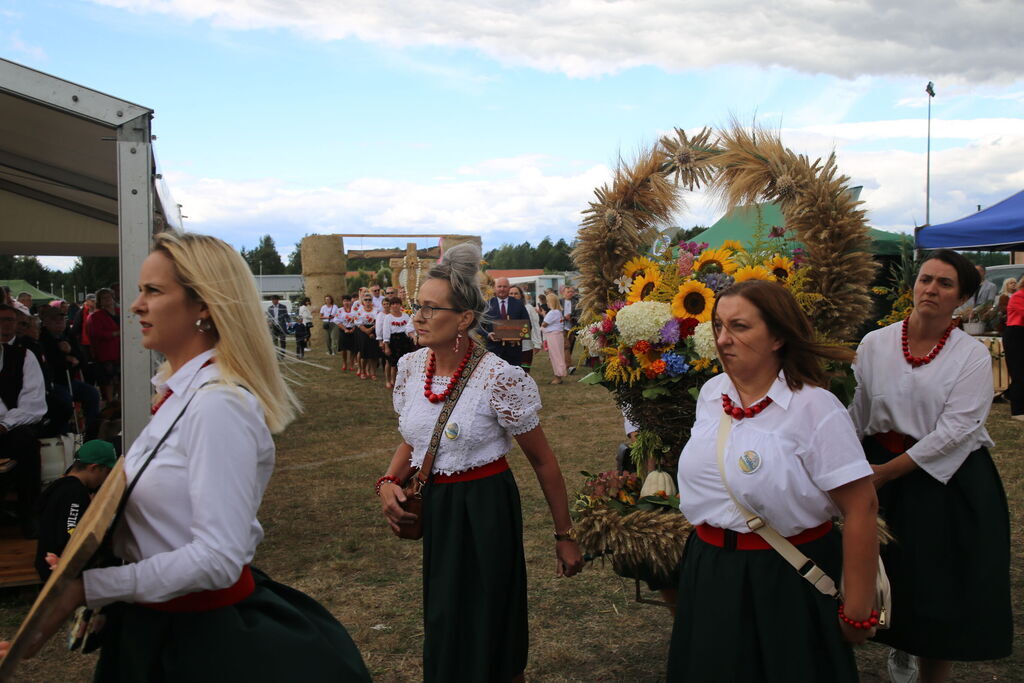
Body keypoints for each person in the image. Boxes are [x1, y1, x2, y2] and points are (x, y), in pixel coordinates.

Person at [0, 231, 371, 681]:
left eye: (153, 291)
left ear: (204, 306)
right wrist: (90, 559)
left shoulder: (219, 405)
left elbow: (217, 558)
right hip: (159, 625)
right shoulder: (179, 396)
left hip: (198, 640)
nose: (135, 305)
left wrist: (91, 586)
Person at [377, 243, 583, 683]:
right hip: (439, 507)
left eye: (431, 309)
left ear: (464, 319)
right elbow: (412, 439)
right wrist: (387, 482)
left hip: (485, 508)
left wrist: (564, 534)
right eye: (418, 306)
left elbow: (544, 462)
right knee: (446, 618)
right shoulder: (413, 368)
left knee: (492, 626)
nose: (418, 316)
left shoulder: (500, 378)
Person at [668, 279, 879, 682]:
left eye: (739, 327)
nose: (723, 339)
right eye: (718, 326)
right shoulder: (713, 394)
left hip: (786, 578)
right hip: (710, 570)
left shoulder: (814, 407)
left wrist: (857, 607)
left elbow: (861, 506)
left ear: (778, 336)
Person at [849, 249, 1012, 682]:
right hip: (881, 469)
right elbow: (856, 410)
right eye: (926, 279)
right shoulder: (875, 343)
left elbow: (956, 430)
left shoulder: (971, 356)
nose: (931, 289)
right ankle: (900, 642)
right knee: (888, 570)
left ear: (962, 298)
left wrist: (887, 472)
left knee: (939, 580)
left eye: (944, 284)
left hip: (946, 479)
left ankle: (930, 670)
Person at [34, 439, 116, 582]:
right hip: (59, 571)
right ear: (94, 468)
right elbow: (70, 534)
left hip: (47, 562)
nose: (107, 478)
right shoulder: (75, 493)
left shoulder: (60, 485)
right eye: (107, 472)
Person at [0, 304, 46, 537]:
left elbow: (33, 402)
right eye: (1, 320)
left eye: (10, 320)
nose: (5, 326)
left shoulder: (25, 355)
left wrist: (5, 424)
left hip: (12, 427)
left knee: (26, 444)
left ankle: (30, 515)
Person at [37, 306, 101, 439]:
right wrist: (64, 357)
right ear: (46, 321)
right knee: (64, 403)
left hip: (70, 380)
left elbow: (81, 358)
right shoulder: (42, 337)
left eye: (62, 318)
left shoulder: (68, 334)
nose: (59, 322)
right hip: (54, 382)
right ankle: (66, 435)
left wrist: (70, 351)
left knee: (92, 394)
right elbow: (47, 361)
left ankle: (92, 430)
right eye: (54, 319)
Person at [483, 277, 530, 366]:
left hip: (514, 351)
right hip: (494, 350)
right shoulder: (487, 305)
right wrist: (487, 334)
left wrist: (518, 337)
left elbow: (527, 324)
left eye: (505, 286)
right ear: (494, 288)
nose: (502, 289)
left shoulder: (518, 304)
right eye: (499, 286)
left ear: (509, 288)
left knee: (513, 377)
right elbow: (478, 325)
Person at [86, 288, 120, 404]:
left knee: (120, 378)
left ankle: (121, 401)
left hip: (121, 351)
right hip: (106, 352)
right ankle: (110, 402)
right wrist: (115, 333)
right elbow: (96, 334)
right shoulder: (95, 316)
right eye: (104, 298)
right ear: (99, 301)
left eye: (109, 296)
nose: (108, 299)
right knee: (108, 380)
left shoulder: (120, 311)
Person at [380, 297, 414, 390]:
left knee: (405, 363)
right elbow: (386, 332)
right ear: (390, 306)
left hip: (405, 341)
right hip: (394, 341)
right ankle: (392, 381)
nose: (395, 306)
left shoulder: (405, 316)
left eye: (397, 303)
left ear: (400, 305)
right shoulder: (388, 318)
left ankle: (404, 382)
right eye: (393, 304)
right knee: (393, 364)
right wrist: (386, 346)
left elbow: (409, 328)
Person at [508, 286, 540, 374]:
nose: (513, 295)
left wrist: (537, 343)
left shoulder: (528, 308)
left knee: (525, 371)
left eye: (516, 293)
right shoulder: (505, 308)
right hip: (509, 346)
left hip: (526, 346)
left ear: (521, 295)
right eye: (511, 293)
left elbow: (535, 325)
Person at [1004, 281, 1024, 420]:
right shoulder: (1018, 296)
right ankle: (1018, 411)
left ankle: (1009, 394)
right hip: (1016, 335)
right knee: (1019, 373)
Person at [541, 293, 567, 384]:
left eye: (548, 301)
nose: (547, 303)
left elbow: (544, 323)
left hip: (553, 335)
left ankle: (558, 376)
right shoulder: (558, 312)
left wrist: (543, 315)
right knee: (558, 355)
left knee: (556, 356)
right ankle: (558, 375)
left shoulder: (552, 312)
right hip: (557, 335)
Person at [354, 294, 380, 380]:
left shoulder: (376, 310)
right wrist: (367, 332)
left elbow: (378, 321)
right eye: (366, 300)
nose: (368, 302)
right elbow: (359, 324)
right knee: (364, 354)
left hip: (374, 330)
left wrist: (372, 329)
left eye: (369, 300)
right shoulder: (359, 311)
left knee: (374, 354)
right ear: (362, 301)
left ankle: (373, 373)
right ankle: (363, 371)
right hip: (362, 332)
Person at [335, 294, 359, 372]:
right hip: (343, 330)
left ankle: (351, 364)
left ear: (351, 302)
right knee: (343, 349)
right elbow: (337, 321)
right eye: (345, 301)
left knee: (353, 349)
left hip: (353, 330)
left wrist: (353, 328)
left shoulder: (354, 310)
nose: (346, 303)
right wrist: (344, 329)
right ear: (343, 302)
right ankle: (344, 362)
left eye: (348, 301)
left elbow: (358, 320)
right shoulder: (339, 310)